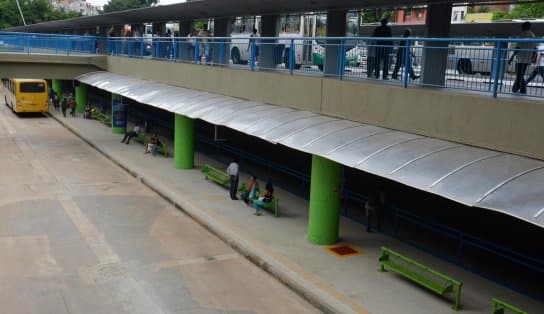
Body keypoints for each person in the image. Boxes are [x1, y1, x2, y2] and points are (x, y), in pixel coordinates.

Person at [509, 22, 536, 94]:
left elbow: (517, 47)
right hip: (527, 58)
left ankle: (522, 89)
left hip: (520, 58)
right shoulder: (533, 35)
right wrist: (533, 58)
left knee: (519, 74)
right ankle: (515, 88)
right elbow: (534, 48)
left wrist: (511, 58)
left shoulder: (522, 34)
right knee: (520, 74)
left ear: (524, 27)